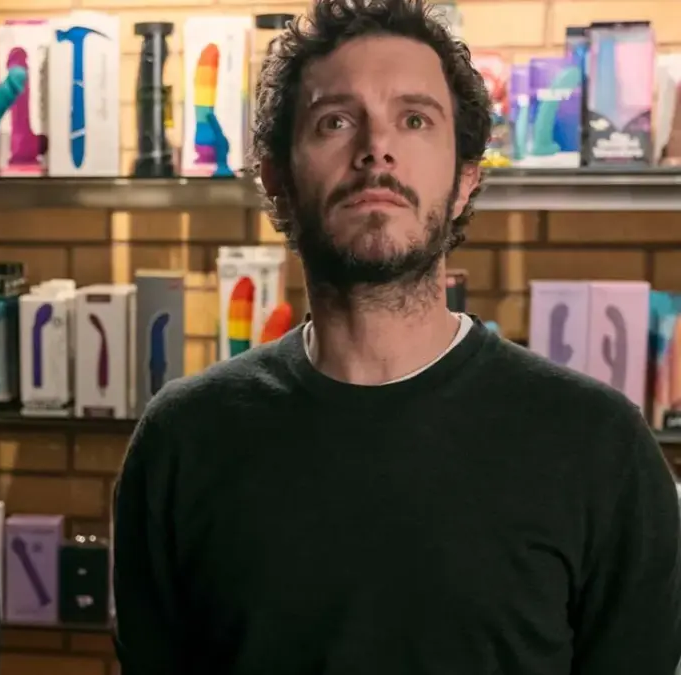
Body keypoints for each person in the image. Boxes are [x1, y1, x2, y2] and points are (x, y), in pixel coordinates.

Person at [112, 0, 681, 673]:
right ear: (278, 181)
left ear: (465, 180)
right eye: (335, 121)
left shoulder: (600, 446)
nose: (375, 148)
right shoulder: (182, 439)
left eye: (414, 120)